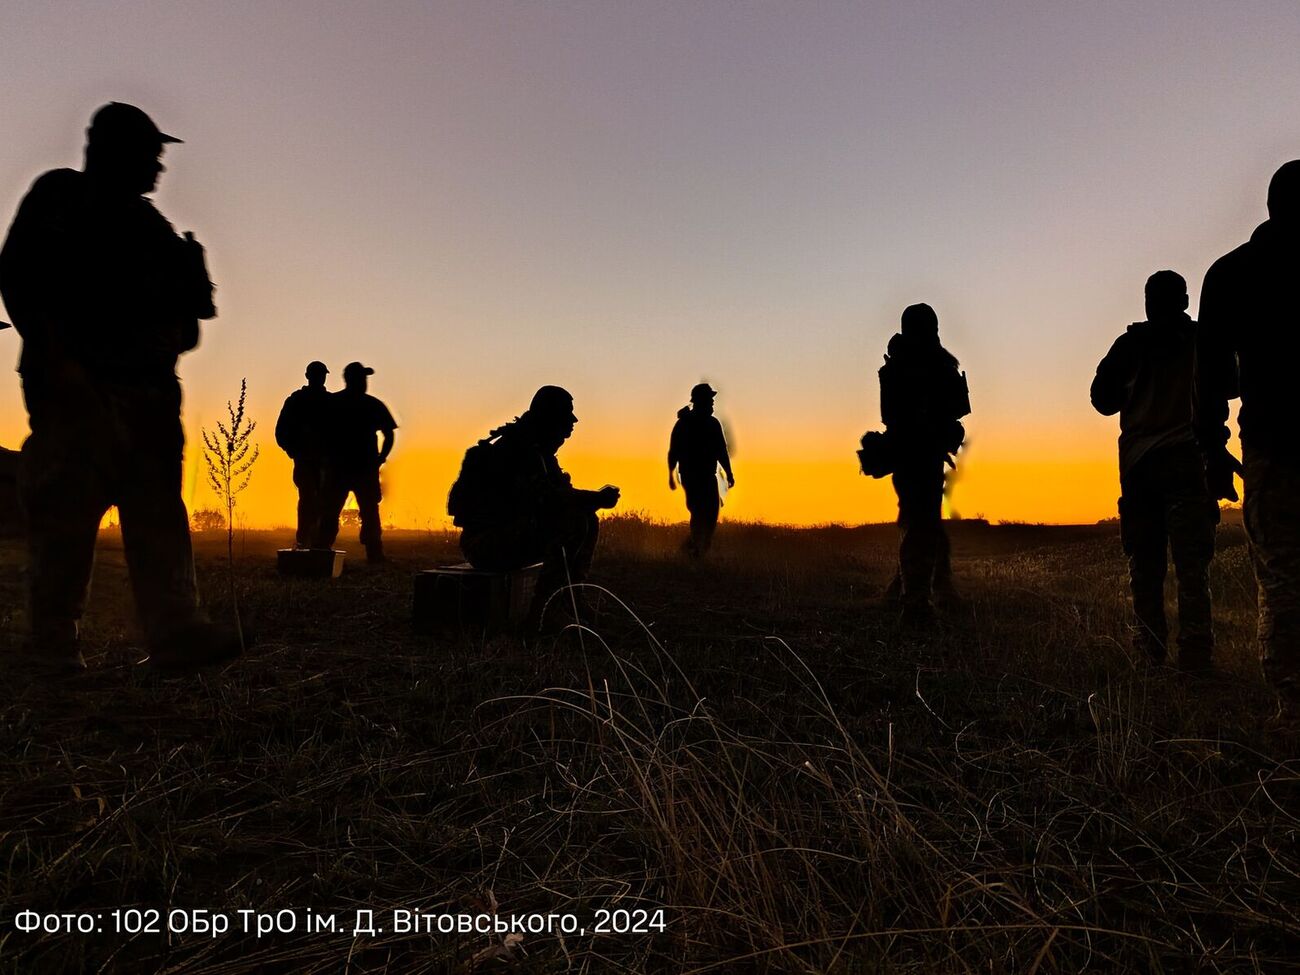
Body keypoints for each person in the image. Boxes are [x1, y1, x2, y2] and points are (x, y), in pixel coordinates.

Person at [0, 102, 239, 673]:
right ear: (113, 150)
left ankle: (176, 633)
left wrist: (185, 299)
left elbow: (187, 325)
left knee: (157, 510)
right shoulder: (63, 197)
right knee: (67, 511)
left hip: (150, 398)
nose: (159, 166)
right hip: (79, 389)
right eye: (150, 153)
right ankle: (52, 644)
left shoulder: (152, 228)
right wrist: (60, 363)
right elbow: (20, 276)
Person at [1197, 160, 1300, 708]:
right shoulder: (1232, 273)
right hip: (1270, 442)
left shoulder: (1233, 272)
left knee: (1283, 575)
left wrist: (1212, 447)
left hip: (1272, 443)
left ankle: (1290, 704)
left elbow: (1210, 375)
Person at [1092, 271, 1216, 670]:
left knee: (1146, 566)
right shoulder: (1201, 340)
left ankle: (1149, 653)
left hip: (1141, 467)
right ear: (1184, 300)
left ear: (1149, 301)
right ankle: (1195, 656)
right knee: (1192, 566)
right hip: (1188, 462)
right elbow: (1229, 385)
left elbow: (1101, 401)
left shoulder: (1130, 345)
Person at [448, 385, 620, 616]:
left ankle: (570, 600)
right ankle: (546, 612)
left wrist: (593, 500)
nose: (570, 428)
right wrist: (595, 498)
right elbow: (549, 500)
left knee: (587, 517)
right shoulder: (515, 450)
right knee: (574, 522)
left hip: (504, 537)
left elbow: (558, 495)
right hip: (485, 545)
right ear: (548, 419)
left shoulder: (537, 450)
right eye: (564, 421)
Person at [878, 303, 970, 624]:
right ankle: (914, 604)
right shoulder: (913, 365)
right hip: (915, 453)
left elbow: (955, 408)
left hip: (921, 454)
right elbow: (894, 414)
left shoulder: (921, 363)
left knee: (920, 522)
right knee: (920, 524)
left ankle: (907, 590)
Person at [313, 361, 396, 562]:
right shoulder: (371, 404)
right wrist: (380, 458)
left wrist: (380, 458)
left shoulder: (333, 403)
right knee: (364, 512)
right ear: (354, 380)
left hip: (341, 469)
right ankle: (373, 554)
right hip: (357, 469)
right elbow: (388, 434)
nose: (365, 382)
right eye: (362, 378)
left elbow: (319, 434)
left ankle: (322, 551)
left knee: (334, 511)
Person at [667, 382, 735, 556]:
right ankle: (696, 551)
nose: (712, 403)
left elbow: (721, 450)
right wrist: (671, 475)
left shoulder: (713, 423)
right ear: (700, 401)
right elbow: (673, 450)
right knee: (699, 512)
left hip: (707, 475)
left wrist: (729, 473)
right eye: (709, 400)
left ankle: (695, 550)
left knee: (710, 513)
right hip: (691, 476)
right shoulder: (684, 424)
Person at [275, 361, 332, 548]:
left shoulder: (330, 402)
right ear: (308, 377)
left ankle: (318, 544)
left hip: (325, 463)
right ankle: (304, 542)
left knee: (323, 502)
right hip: (306, 461)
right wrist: (294, 451)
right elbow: (281, 432)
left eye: (321, 375)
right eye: (317, 375)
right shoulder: (296, 401)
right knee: (308, 499)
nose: (320, 378)